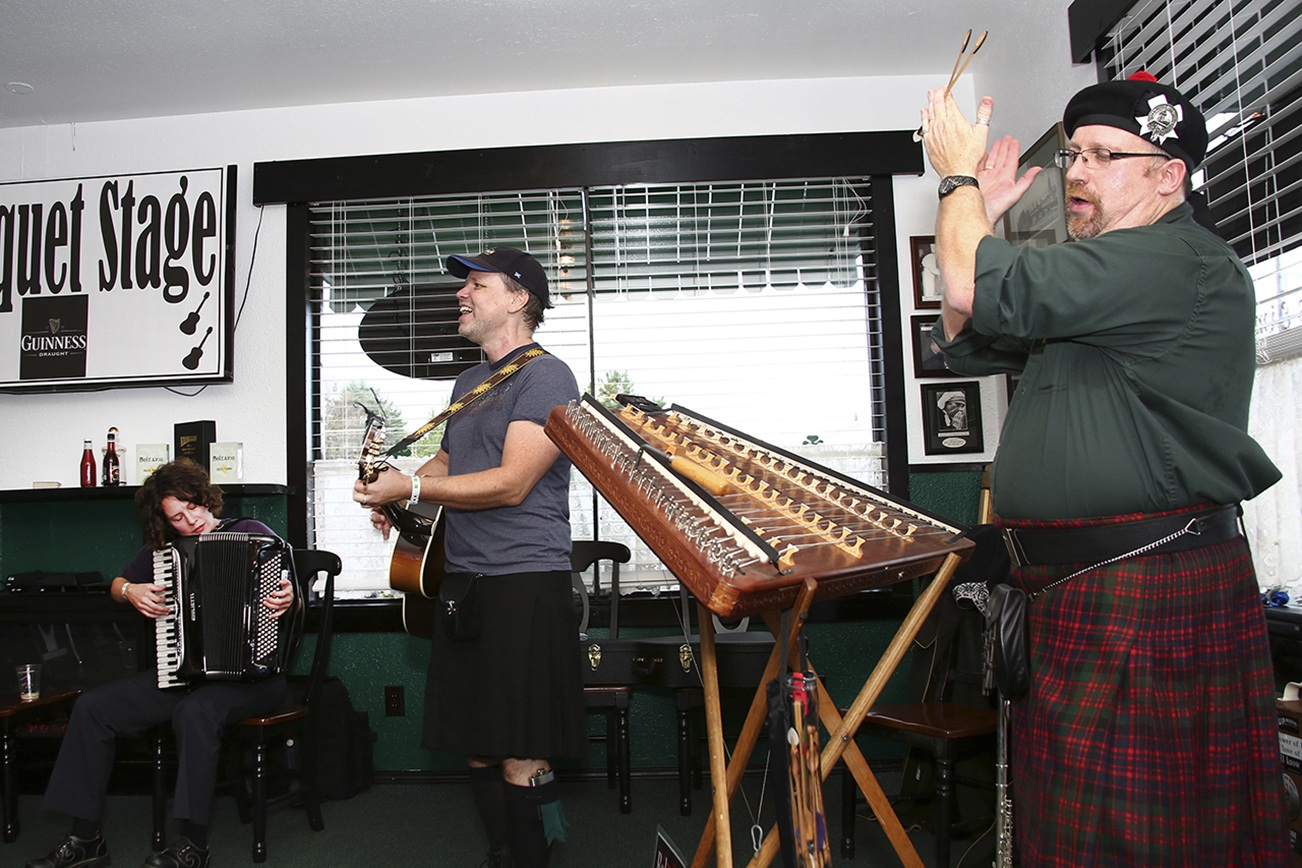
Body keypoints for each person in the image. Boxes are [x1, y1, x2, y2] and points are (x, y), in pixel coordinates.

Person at [918, 73, 1288, 865]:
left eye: (1102, 156)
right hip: (1079, 595)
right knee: (1079, 838)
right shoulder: (1110, 279)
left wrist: (955, 183)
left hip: (1145, 592)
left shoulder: (1174, 260)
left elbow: (967, 280)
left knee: (1141, 843)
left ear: (1168, 173)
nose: (1077, 172)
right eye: (1074, 155)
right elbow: (963, 319)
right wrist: (974, 214)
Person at [353, 246, 583, 868]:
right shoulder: (468, 381)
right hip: (464, 582)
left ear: (517, 298)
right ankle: (504, 854)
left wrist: (416, 489)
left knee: (521, 751)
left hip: (524, 584)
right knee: (478, 747)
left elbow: (512, 481)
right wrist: (397, 491)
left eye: (475, 284)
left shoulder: (548, 377)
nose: (462, 293)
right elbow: (451, 462)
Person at [26, 460, 296, 868]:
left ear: (205, 498)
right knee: (93, 707)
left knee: (195, 711)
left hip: (256, 679)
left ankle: (192, 845)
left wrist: (287, 598)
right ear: (166, 522)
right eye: (178, 518)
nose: (191, 521)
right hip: (186, 676)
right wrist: (131, 590)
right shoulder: (163, 553)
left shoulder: (255, 536)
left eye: (193, 508)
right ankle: (85, 839)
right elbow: (116, 585)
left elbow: (295, 593)